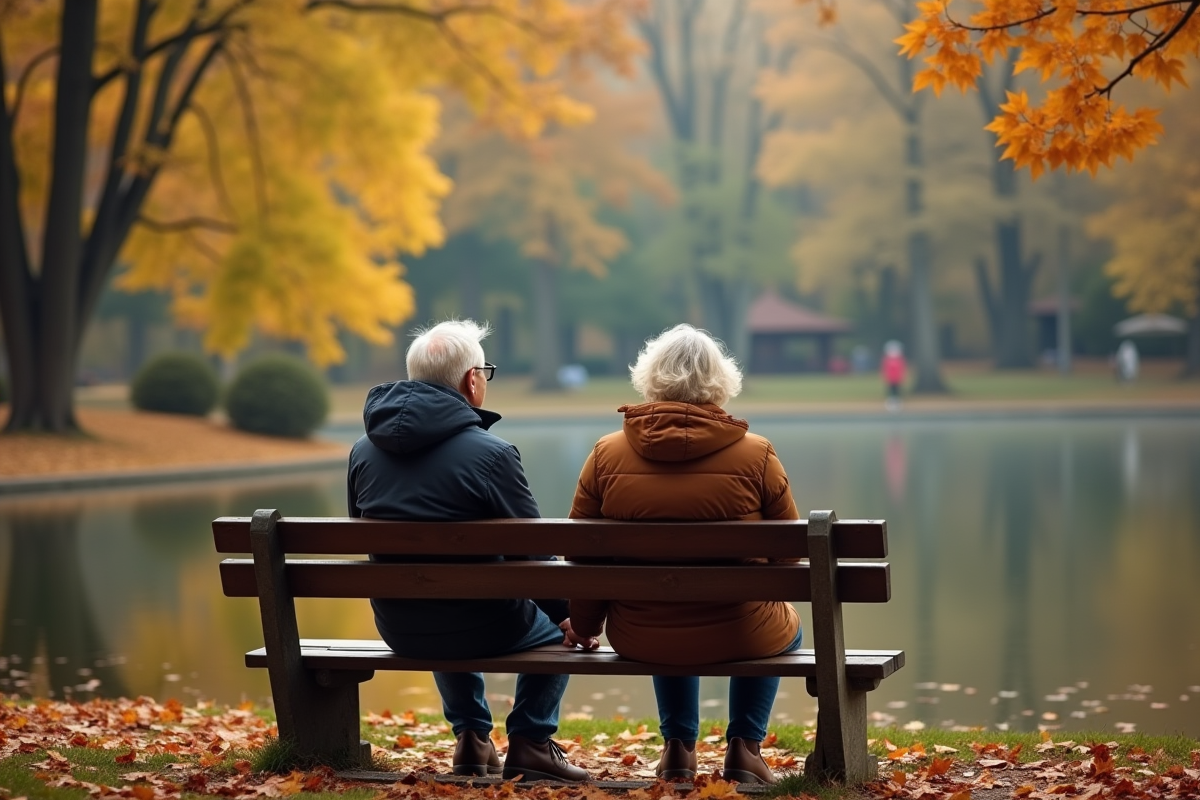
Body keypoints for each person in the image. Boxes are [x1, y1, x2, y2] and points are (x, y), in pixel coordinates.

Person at [347, 319, 588, 783]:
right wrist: (566, 615)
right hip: (483, 625)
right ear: (471, 380)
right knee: (554, 632)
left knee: (435, 597)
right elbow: (533, 554)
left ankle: (472, 739)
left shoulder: (362, 450)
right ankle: (531, 742)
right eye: (486, 371)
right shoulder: (491, 453)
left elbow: (363, 537)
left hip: (400, 625)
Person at [561, 324, 803, 785]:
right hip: (742, 632)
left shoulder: (605, 454)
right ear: (720, 381)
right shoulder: (757, 454)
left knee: (667, 608)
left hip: (641, 634)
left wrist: (587, 626)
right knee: (782, 620)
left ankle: (677, 750)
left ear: (651, 378)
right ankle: (745, 749)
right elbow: (788, 563)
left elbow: (582, 559)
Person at [881, 340, 906, 412]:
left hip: (897, 379)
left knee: (897, 392)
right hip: (890, 379)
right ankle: (891, 405)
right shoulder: (886, 359)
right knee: (890, 392)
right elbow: (885, 370)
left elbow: (902, 369)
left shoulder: (900, 359)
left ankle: (898, 404)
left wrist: (901, 377)